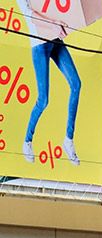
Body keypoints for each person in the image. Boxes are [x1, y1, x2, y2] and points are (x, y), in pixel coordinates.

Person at [16, 0, 81, 166]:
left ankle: (68, 139)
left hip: (55, 40)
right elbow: (29, 15)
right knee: (43, 99)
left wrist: (63, 24)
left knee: (76, 84)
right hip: (39, 44)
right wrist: (53, 24)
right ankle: (27, 141)